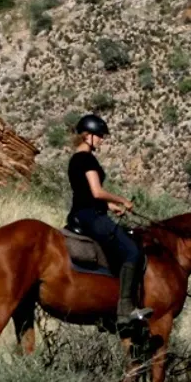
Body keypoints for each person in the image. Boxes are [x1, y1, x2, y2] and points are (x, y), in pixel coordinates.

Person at [67, 113, 152, 333]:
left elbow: (84, 193)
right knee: (133, 252)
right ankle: (125, 310)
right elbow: (96, 191)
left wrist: (109, 207)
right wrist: (122, 200)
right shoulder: (87, 159)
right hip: (91, 218)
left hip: (82, 213)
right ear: (88, 136)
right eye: (100, 136)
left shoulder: (75, 159)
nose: (102, 140)